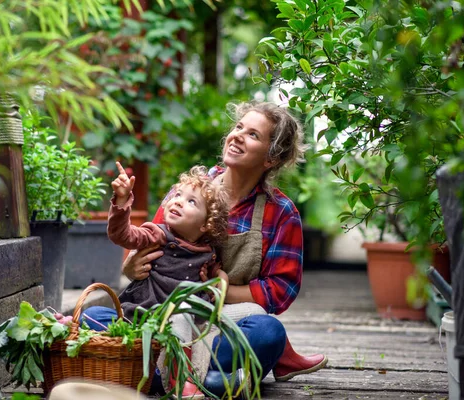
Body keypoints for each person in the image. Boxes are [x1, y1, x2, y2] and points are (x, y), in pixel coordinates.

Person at [122, 101, 328, 395]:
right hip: (165, 318)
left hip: (220, 325)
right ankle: (215, 382)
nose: (237, 135)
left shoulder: (281, 213)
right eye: (238, 127)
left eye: (253, 135)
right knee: (98, 318)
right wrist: (131, 266)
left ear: (271, 158)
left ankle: (165, 374)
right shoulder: (190, 189)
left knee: (269, 333)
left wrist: (212, 290)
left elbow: (280, 290)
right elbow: (148, 241)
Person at [84, 161, 230, 400]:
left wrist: (217, 284)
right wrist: (121, 203)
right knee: (92, 315)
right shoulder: (157, 234)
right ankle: (176, 376)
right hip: (142, 320)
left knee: (190, 316)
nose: (179, 201)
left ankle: (176, 375)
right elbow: (123, 235)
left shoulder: (208, 252)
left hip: (182, 330)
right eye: (178, 195)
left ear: (206, 224)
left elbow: (211, 289)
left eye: (191, 201)